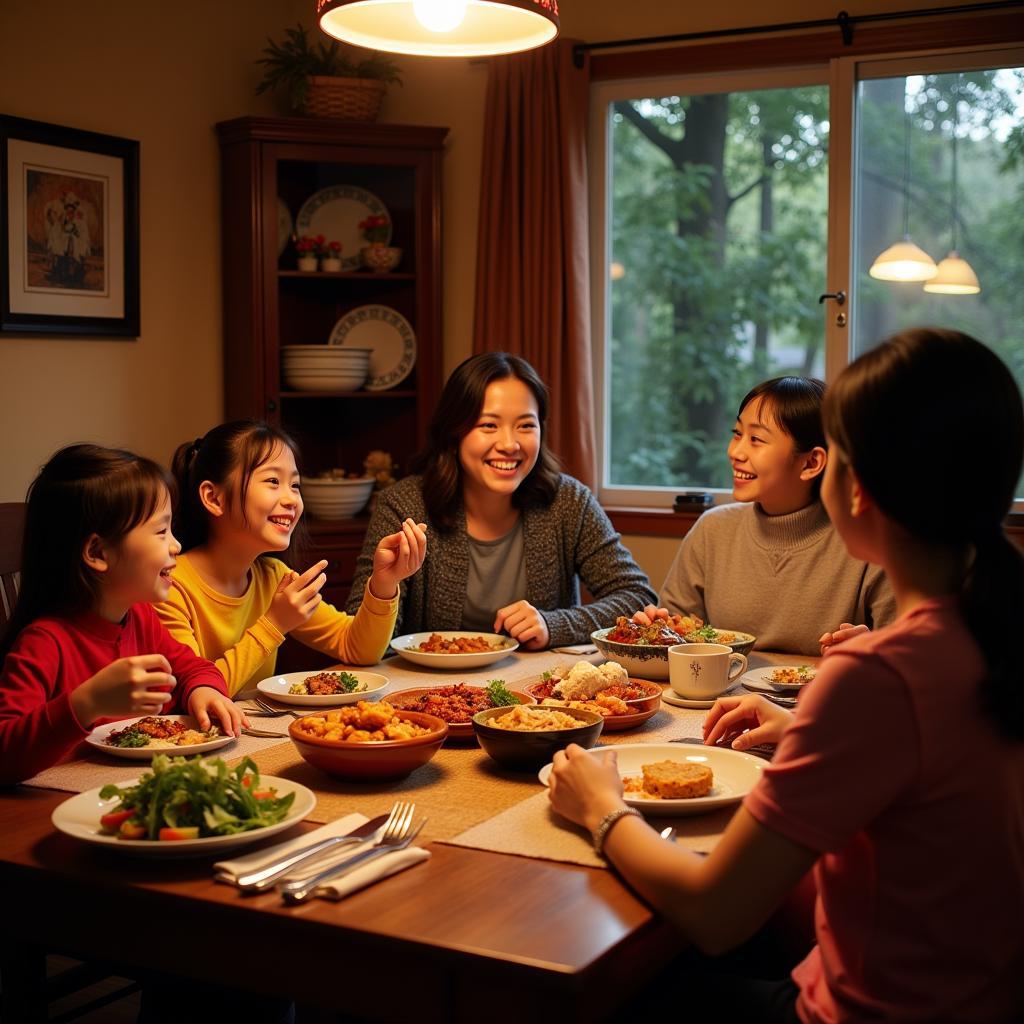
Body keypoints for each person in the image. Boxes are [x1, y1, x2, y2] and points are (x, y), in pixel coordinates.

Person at [549, 328, 1024, 1021]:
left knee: (594, 982)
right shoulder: (991, 627)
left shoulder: (876, 674)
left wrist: (600, 809)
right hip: (979, 992)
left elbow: (716, 913)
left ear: (853, 486)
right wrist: (804, 721)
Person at [345, 352, 657, 648]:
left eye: (525, 425)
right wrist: (384, 587)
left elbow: (637, 596)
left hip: (541, 695)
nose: (509, 444)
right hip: (426, 696)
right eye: (488, 425)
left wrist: (554, 625)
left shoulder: (569, 502)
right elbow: (363, 644)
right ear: (454, 433)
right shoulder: (404, 506)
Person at [0, 445, 243, 786]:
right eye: (161, 532)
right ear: (98, 552)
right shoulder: (44, 643)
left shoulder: (140, 618)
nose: (175, 545)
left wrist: (204, 690)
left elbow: (192, 667)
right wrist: (86, 703)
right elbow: (4, 754)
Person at [158, 420, 426, 696]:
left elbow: (358, 649)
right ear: (214, 498)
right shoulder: (170, 587)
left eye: (295, 485)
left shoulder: (273, 577)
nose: (292, 500)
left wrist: (384, 583)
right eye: (273, 481)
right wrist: (274, 623)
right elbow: (197, 693)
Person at [637, 376, 895, 655]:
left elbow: (913, 662)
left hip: (821, 697)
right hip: (723, 697)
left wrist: (874, 648)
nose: (735, 452)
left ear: (811, 463)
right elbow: (675, 639)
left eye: (756, 439)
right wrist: (656, 631)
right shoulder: (712, 530)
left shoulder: (868, 543)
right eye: (737, 433)